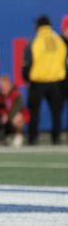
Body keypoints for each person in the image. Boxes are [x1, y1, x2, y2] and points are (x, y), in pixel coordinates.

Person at [23, 16, 67, 145]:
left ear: (38, 26)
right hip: (56, 82)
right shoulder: (59, 40)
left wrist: (26, 76)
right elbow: (65, 61)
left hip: (38, 82)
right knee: (56, 113)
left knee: (34, 112)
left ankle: (33, 138)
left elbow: (27, 61)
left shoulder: (35, 40)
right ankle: (56, 137)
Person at [0, 74, 28, 148]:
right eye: (1, 86)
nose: (3, 88)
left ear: (9, 84)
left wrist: (7, 116)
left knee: (17, 118)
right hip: (0, 121)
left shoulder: (17, 95)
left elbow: (16, 110)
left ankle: (18, 136)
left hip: (11, 119)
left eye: (5, 85)